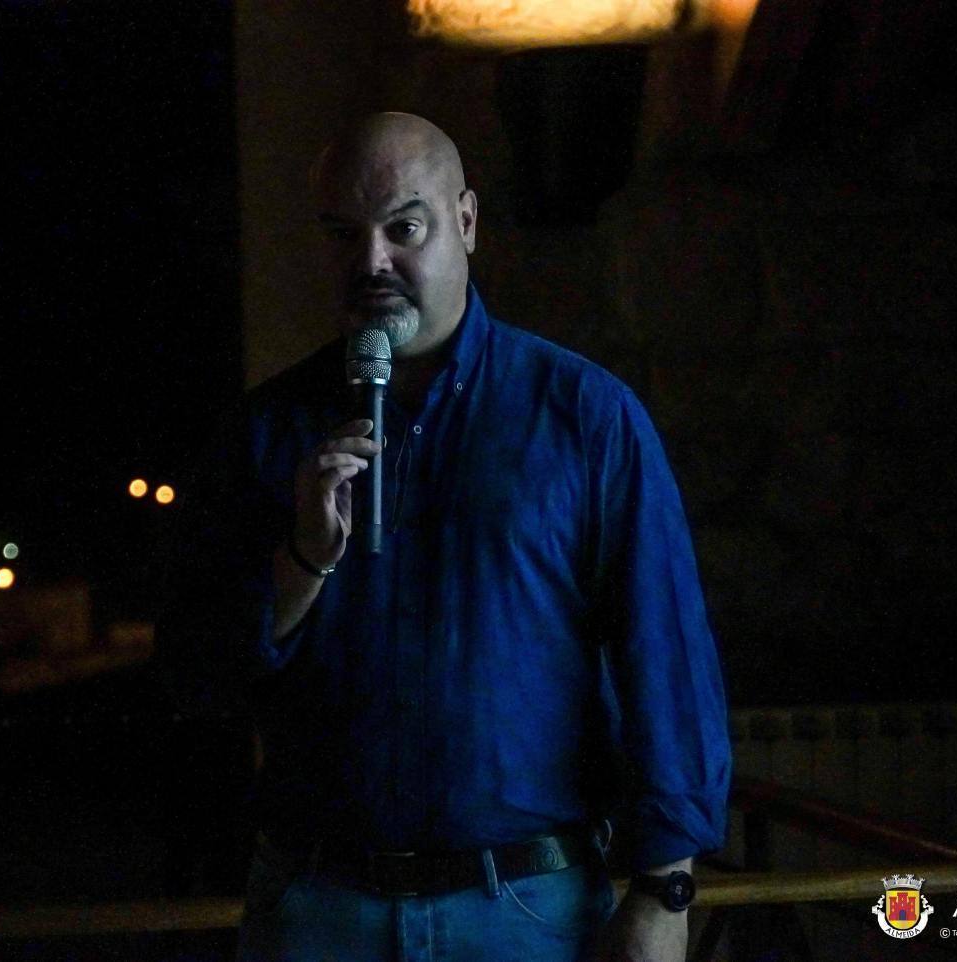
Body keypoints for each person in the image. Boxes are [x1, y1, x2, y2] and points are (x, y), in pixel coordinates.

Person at [156, 112, 730, 962]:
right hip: (317, 909)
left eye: (404, 228)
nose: (372, 262)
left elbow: (665, 657)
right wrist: (301, 562)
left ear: (465, 222)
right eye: (344, 235)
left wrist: (664, 892)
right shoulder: (266, 432)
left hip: (526, 910)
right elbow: (196, 674)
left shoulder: (584, 418)